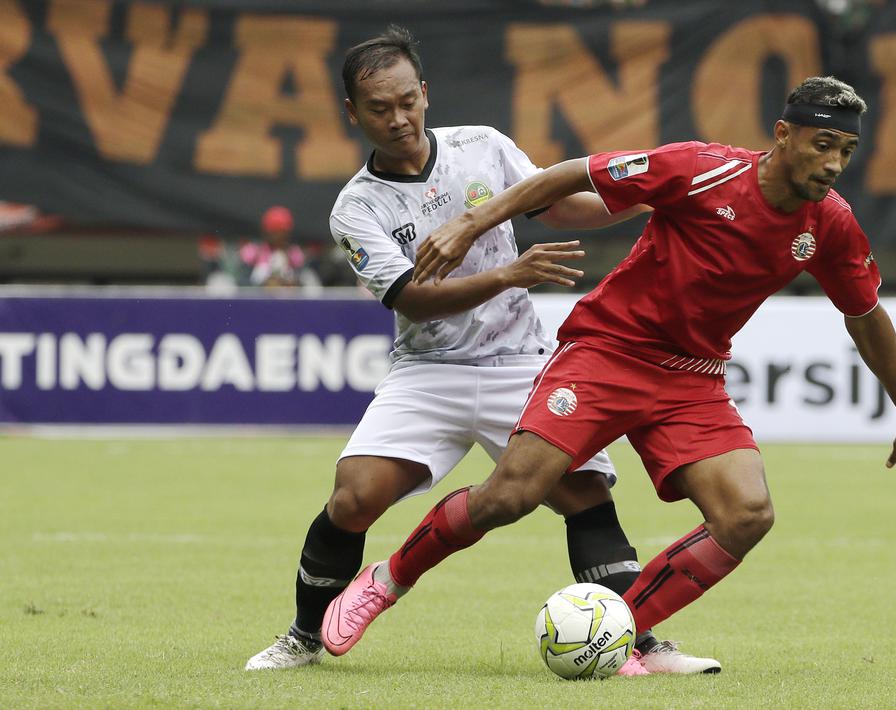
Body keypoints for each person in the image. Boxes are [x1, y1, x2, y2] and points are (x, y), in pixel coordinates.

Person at [323, 74, 896, 670]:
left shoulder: (831, 222)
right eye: (823, 145)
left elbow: (865, 314)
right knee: (511, 497)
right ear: (783, 135)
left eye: (846, 150)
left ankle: (619, 640)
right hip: (607, 352)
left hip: (692, 378)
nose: (835, 163)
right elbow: (572, 175)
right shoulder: (703, 169)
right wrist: (469, 222)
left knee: (747, 513)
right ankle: (390, 577)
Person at [245, 25, 717, 675]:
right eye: (378, 108)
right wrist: (508, 274)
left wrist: (648, 200)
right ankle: (303, 635)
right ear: (352, 114)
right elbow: (411, 297)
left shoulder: (483, 149)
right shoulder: (357, 207)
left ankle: (639, 642)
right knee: (353, 497)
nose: (398, 118)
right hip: (428, 371)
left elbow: (560, 206)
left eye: (407, 100)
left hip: (519, 361)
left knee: (583, 490)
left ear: (425, 93)